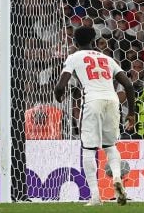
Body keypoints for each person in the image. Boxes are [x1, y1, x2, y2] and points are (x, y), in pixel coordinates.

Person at [54, 26, 136, 206]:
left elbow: (61, 85)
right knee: (110, 146)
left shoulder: (74, 57)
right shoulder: (107, 59)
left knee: (89, 149)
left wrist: (58, 95)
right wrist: (131, 112)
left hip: (92, 102)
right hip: (112, 101)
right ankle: (116, 178)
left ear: (75, 42)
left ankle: (95, 197)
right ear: (93, 40)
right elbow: (129, 85)